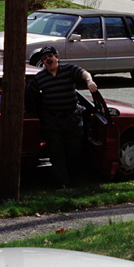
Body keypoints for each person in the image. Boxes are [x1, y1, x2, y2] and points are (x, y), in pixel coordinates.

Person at [27, 45, 97, 188]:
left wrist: (89, 81)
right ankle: (63, 184)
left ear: (57, 57)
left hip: (72, 118)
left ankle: (75, 178)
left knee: (74, 150)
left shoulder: (69, 70)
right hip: (52, 121)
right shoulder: (40, 78)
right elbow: (31, 96)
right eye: (44, 58)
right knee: (56, 152)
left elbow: (84, 73)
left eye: (50, 56)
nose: (48, 60)